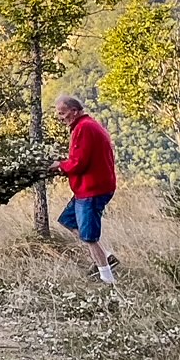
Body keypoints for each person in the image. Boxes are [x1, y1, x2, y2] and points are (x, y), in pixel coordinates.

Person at [54, 95, 118, 284]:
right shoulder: (88, 125)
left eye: (62, 113)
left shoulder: (84, 128)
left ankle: (107, 277)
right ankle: (106, 256)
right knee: (68, 220)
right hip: (89, 187)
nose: (60, 117)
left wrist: (60, 165)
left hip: (92, 189)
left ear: (74, 111)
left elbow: (79, 163)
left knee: (89, 237)